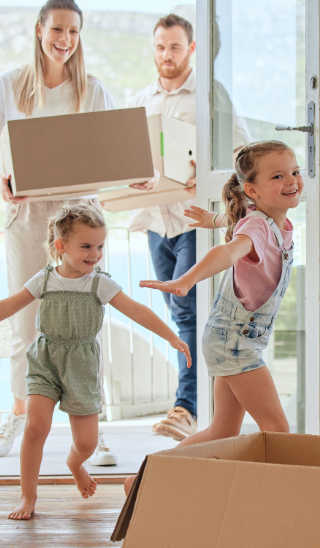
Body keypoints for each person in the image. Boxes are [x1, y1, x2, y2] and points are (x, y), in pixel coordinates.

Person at [0, 203, 191, 520]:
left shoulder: (100, 283)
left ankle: (75, 464)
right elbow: (6, 306)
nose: (94, 253)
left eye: (99, 246)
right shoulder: (44, 280)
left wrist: (171, 336)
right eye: (86, 246)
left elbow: (137, 310)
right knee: (35, 427)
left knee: (85, 443)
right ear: (61, 246)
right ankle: (28, 497)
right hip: (46, 359)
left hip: (82, 365)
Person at [0, 0, 117, 464]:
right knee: (24, 320)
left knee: (86, 320)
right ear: (39, 30)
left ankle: (93, 430)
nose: (66, 39)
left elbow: (115, 151)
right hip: (30, 214)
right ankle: (18, 414)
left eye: (74, 31)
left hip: (81, 215)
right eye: (58, 29)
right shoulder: (7, 86)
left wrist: (136, 172)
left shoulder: (92, 90)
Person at [127, 141, 299, 495]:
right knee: (277, 429)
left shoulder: (272, 221)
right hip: (234, 342)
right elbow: (231, 248)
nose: (291, 180)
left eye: (294, 172)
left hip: (230, 339)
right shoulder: (259, 228)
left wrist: (214, 220)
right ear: (251, 190)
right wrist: (186, 279)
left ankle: (143, 480)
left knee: (222, 431)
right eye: (278, 176)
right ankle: (283, 500)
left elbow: (236, 222)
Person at [125, 14, 251, 442]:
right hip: (155, 221)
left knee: (189, 311)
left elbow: (242, 152)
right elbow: (134, 161)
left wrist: (210, 173)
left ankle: (186, 408)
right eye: (160, 47)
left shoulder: (210, 95)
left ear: (191, 49)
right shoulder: (141, 99)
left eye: (175, 47)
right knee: (180, 313)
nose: (167, 55)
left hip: (193, 220)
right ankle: (195, 409)